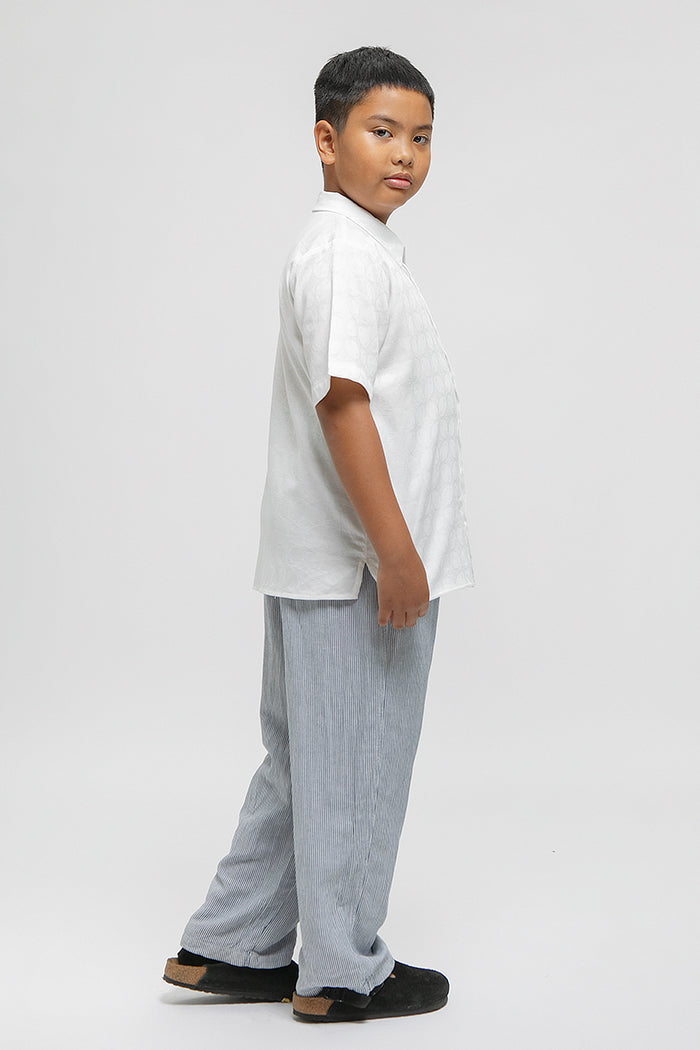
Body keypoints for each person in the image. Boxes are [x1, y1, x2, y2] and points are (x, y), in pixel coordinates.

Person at [162, 44, 475, 1023]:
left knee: (305, 762)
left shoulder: (356, 247)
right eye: (383, 131)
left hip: (323, 563)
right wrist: (397, 554)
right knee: (358, 766)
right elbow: (344, 404)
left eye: (422, 136)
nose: (406, 154)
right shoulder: (344, 254)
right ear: (326, 141)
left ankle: (232, 944)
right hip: (357, 569)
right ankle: (341, 971)